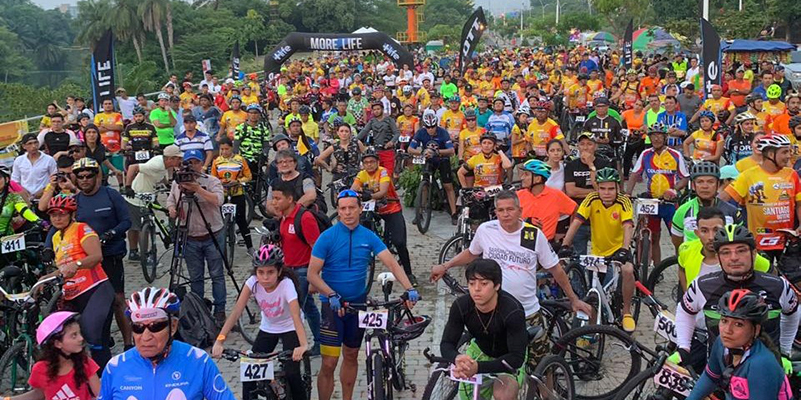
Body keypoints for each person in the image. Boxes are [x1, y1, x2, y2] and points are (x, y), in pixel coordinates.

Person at [431, 190, 592, 365]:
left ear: (520, 211)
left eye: (510, 209)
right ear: (495, 212)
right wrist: (446, 266)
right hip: (493, 312)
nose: (505, 214)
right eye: (500, 210)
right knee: (501, 363)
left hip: (526, 311)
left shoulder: (533, 235)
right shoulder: (486, 230)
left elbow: (556, 269)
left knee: (540, 365)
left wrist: (574, 299)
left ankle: (545, 392)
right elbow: (471, 253)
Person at [308, 189, 418, 400]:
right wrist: (331, 294)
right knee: (329, 362)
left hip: (357, 306)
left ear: (360, 209)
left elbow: (392, 263)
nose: (348, 212)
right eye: (343, 209)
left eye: (352, 208)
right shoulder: (327, 238)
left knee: (351, 355)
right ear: (338, 212)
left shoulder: (369, 236)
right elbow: (312, 275)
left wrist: (409, 288)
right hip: (333, 307)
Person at [673, 224, 800, 372]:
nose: (734, 258)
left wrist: (784, 352)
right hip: (719, 373)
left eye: (741, 251)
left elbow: (792, 314)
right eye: (726, 252)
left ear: (754, 253)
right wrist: (683, 348)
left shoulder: (777, 286)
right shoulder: (702, 286)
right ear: (718, 257)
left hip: (767, 372)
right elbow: (685, 311)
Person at [100, 287, 236, 400]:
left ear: (173, 326)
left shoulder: (198, 360)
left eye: (155, 326)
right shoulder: (115, 367)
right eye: (138, 327)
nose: (146, 337)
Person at [212, 245, 308, 400]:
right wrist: (219, 341)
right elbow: (236, 312)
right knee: (249, 374)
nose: (265, 277)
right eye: (261, 272)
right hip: (269, 327)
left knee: (292, 373)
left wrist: (303, 345)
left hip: (290, 326)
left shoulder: (287, 284)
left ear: (279, 271)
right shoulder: (252, 283)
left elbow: (296, 315)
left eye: (270, 272)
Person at [38, 194, 114, 369]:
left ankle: (103, 382)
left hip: (95, 289)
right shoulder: (56, 237)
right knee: (67, 338)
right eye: (53, 214)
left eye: (62, 214)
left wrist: (78, 264)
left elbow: (96, 256)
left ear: (72, 214)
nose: (57, 218)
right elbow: (64, 267)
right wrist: (45, 278)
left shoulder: (82, 229)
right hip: (72, 294)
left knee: (94, 336)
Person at [562, 168, 638, 332]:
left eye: (611, 188)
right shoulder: (591, 199)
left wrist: (624, 249)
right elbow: (577, 222)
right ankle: (590, 330)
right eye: (602, 188)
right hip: (597, 252)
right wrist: (565, 245)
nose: (607, 192)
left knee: (628, 270)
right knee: (594, 290)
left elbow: (628, 227)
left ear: (618, 187)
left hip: (619, 250)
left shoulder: (623, 201)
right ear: (597, 187)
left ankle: (626, 311)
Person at [440, 259, 528, 400]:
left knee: (503, 394)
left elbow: (516, 358)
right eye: (472, 283)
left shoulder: (512, 311)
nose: (476, 289)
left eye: (484, 283)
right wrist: (457, 358)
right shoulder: (461, 306)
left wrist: (478, 368)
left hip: (507, 357)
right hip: (480, 350)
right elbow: (446, 344)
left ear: (497, 285)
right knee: (466, 395)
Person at [686, 289, 794, 400]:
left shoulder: (761, 364)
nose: (727, 330)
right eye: (724, 321)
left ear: (756, 330)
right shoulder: (721, 344)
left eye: (738, 324)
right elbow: (710, 378)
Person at [73, 157, 133, 350]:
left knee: (117, 300)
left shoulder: (110, 195)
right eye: (80, 176)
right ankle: (101, 337)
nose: (84, 180)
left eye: (88, 176)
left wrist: (111, 233)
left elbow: (126, 221)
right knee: (93, 301)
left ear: (96, 175)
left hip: (111, 254)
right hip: (89, 259)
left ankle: (128, 342)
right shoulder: (76, 201)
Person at [165, 149, 227, 323]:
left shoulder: (211, 180)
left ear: (201, 164)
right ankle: (198, 311)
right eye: (188, 162)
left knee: (217, 274)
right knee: (195, 277)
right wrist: (172, 209)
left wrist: (198, 189)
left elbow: (218, 200)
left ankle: (220, 310)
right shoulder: (178, 183)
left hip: (212, 233)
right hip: (190, 236)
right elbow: (171, 200)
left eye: (195, 162)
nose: (192, 166)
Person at [720, 134, 801, 261]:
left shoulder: (792, 175)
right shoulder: (747, 176)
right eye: (784, 152)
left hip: (787, 242)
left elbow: (799, 203)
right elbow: (722, 200)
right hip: (759, 243)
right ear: (770, 154)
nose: (788, 156)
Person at [270, 180, 322, 355]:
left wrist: (315, 279)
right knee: (308, 309)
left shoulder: (305, 218)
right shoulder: (284, 217)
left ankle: (294, 345)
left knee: (296, 311)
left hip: (302, 271)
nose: (274, 202)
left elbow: (317, 248)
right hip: (289, 270)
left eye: (278, 199)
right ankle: (319, 341)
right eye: (273, 198)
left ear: (290, 199)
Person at [627, 124, 689, 268]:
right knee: (653, 237)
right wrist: (628, 193)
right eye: (653, 135)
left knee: (677, 238)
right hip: (652, 201)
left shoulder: (675, 155)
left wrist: (673, 190)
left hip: (670, 203)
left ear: (665, 137)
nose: (656, 138)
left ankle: (682, 266)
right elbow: (635, 174)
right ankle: (657, 268)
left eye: (659, 135)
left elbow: (685, 178)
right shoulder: (645, 154)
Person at [351, 148, 415, 284]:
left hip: (391, 208)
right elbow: (353, 189)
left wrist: (371, 196)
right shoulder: (361, 174)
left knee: (399, 242)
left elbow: (383, 191)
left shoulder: (383, 172)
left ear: (377, 162)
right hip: (373, 209)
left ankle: (408, 273)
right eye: (366, 162)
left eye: (372, 162)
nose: (369, 164)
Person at [13, 312, 100, 400]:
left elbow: (100, 394)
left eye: (79, 333)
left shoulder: (84, 362)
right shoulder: (40, 369)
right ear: (58, 344)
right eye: (74, 335)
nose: (81, 338)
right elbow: (39, 394)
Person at [123, 145, 184, 261]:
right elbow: (132, 167)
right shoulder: (157, 164)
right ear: (170, 158)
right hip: (137, 195)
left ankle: (134, 251)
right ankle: (142, 254)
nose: (180, 161)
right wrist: (128, 186)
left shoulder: (163, 164)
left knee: (136, 225)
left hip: (149, 194)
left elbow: (157, 175)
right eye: (178, 158)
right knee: (140, 226)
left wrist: (166, 184)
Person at [671, 162, 741, 249]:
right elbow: (678, 243)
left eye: (710, 182)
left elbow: (740, 242)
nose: (705, 186)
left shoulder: (732, 211)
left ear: (718, 185)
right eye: (700, 182)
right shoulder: (682, 211)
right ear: (693, 185)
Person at [564, 132, 613, 255]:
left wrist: (591, 165)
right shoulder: (571, 165)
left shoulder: (604, 164)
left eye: (589, 144)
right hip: (579, 217)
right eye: (582, 144)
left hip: (599, 218)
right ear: (578, 147)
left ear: (595, 146)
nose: (585, 147)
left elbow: (603, 190)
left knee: (603, 256)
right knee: (578, 257)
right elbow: (571, 191)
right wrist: (595, 192)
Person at [409, 110, 458, 223]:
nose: (431, 129)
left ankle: (454, 213)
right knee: (424, 184)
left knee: (448, 186)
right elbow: (410, 149)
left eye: (433, 127)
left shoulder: (443, 132)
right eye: (428, 127)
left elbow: (451, 151)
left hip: (442, 159)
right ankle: (420, 213)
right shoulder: (421, 132)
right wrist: (422, 152)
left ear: (436, 125)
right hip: (428, 159)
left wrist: (437, 152)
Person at [211, 137, 254, 255]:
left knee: (241, 221)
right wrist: (220, 182)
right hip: (223, 194)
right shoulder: (216, 161)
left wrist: (238, 181)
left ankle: (250, 247)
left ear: (231, 148)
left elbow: (248, 176)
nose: (224, 152)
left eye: (227, 149)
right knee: (220, 221)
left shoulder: (240, 160)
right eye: (222, 149)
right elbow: (213, 178)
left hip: (237, 193)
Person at [516, 159, 576, 243]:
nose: (522, 178)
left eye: (526, 174)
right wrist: (526, 221)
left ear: (538, 179)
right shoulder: (517, 195)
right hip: (520, 243)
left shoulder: (556, 195)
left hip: (546, 244)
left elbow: (575, 210)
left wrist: (568, 237)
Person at [357, 102, 400, 172]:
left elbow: (397, 133)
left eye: (378, 109)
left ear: (382, 109)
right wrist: (354, 140)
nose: (376, 111)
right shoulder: (372, 121)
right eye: (374, 110)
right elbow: (364, 131)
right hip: (376, 152)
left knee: (388, 173)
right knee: (376, 174)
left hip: (388, 151)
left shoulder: (389, 120)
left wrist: (392, 142)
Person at [0, 165, 42, 236]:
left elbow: (24, 210)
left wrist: (38, 221)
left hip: (7, 237)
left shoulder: (13, 197)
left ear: (6, 179)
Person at [12, 133, 57, 199]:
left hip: (44, 196)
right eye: (29, 144)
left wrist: (44, 190)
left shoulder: (49, 159)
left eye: (35, 143)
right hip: (25, 196)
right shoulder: (19, 160)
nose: (33, 146)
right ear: (24, 146)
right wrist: (23, 191)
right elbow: (14, 180)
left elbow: (54, 178)